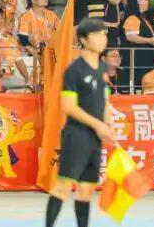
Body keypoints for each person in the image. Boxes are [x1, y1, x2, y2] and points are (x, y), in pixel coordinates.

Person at [45, 18, 114, 227]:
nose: (103, 40)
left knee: (86, 190)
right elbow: (69, 107)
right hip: (76, 136)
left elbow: (105, 100)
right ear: (83, 40)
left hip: (94, 139)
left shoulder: (102, 68)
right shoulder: (74, 70)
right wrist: (97, 124)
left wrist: (108, 125)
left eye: (104, 35)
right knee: (63, 187)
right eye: (97, 35)